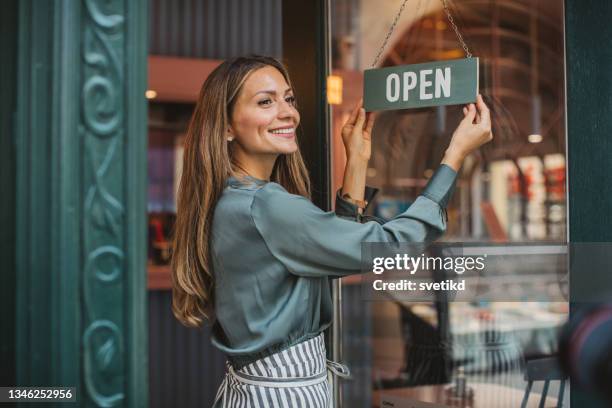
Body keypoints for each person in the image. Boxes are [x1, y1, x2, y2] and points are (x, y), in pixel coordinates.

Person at [171, 55, 492, 408]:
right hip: (285, 396)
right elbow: (385, 247)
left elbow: (336, 250)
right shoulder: (266, 206)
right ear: (227, 127)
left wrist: (356, 161)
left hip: (257, 389)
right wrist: (454, 156)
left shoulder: (233, 198)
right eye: (266, 101)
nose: (287, 112)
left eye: (288, 99)